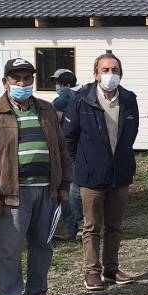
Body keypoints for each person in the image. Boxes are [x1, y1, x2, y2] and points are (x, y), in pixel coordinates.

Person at [0, 58, 72, 295]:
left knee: (43, 244)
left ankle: (37, 293)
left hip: (47, 191)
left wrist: (64, 185)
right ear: (5, 82)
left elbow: (61, 150)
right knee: (9, 248)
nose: (22, 83)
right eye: (16, 79)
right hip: (12, 193)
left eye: (27, 79)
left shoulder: (46, 110)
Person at [63, 51, 140, 291]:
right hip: (91, 175)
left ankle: (111, 268)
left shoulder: (129, 99)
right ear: (95, 75)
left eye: (114, 70)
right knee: (92, 226)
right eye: (105, 70)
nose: (110, 74)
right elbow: (69, 137)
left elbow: (131, 133)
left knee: (114, 226)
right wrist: (80, 164)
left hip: (120, 172)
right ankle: (92, 271)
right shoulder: (81, 100)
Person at [49, 68, 82, 242]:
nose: (56, 86)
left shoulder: (64, 98)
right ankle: (80, 226)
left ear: (66, 84)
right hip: (79, 150)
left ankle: (76, 227)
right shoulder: (86, 94)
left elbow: (55, 116)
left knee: (68, 190)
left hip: (68, 150)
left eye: (57, 83)